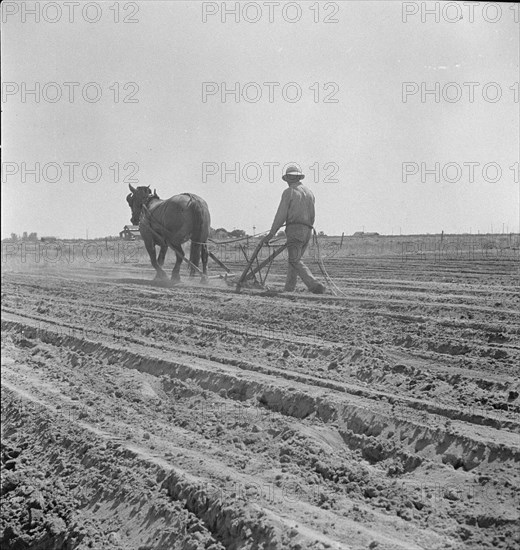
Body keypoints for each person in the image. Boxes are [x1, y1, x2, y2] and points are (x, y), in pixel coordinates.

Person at [264, 166, 326, 294]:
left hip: (295, 229)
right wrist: (308, 227)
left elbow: (281, 215)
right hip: (308, 229)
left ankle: (314, 284)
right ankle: (288, 289)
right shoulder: (309, 192)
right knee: (294, 260)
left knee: (294, 260)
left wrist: (271, 233)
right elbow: (313, 215)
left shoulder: (289, 192)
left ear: (289, 178)